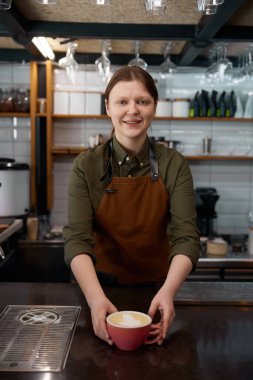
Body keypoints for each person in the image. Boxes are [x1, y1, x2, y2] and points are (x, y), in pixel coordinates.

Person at [63, 66, 200, 346]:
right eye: (122, 102)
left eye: (142, 101)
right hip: (98, 292)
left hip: (157, 293)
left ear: (154, 107)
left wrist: (168, 291)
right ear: (108, 108)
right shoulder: (86, 166)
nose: (132, 110)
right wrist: (95, 299)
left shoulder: (174, 164)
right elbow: (77, 239)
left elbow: (187, 237)